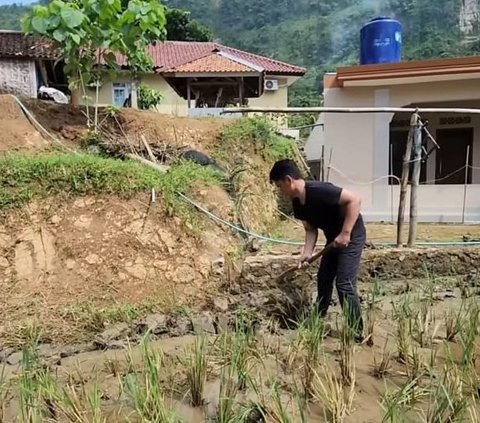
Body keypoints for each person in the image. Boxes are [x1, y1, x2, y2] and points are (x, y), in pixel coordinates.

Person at [269, 159, 366, 341]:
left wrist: (345, 233)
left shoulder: (320, 191)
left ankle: (356, 330)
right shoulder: (297, 203)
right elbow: (310, 229)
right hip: (333, 239)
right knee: (324, 278)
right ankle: (317, 318)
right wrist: (306, 253)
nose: (279, 190)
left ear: (289, 180)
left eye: (279, 185)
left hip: (351, 236)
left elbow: (355, 200)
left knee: (344, 284)